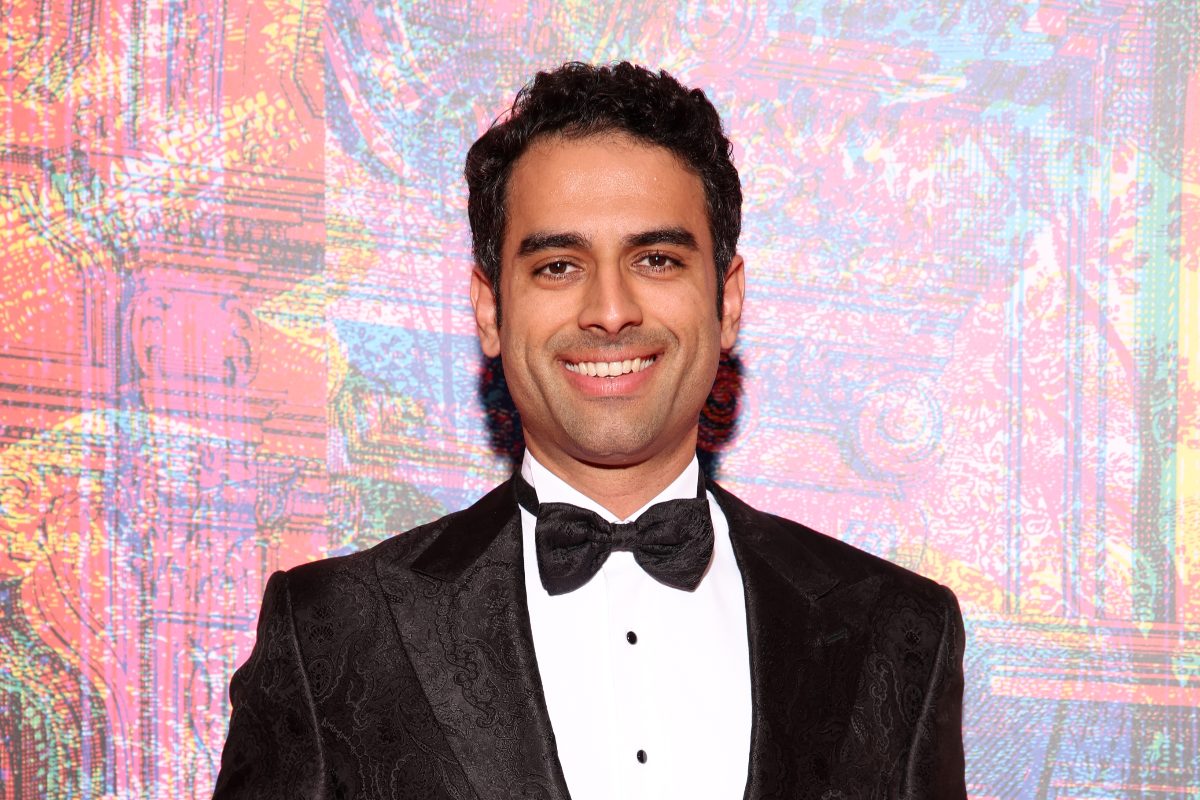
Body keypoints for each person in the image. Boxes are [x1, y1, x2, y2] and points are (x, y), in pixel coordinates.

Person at [213, 61, 966, 800]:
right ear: (489, 309)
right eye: (558, 266)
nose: (610, 311)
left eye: (657, 259)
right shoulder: (333, 630)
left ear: (728, 301)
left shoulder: (898, 631)